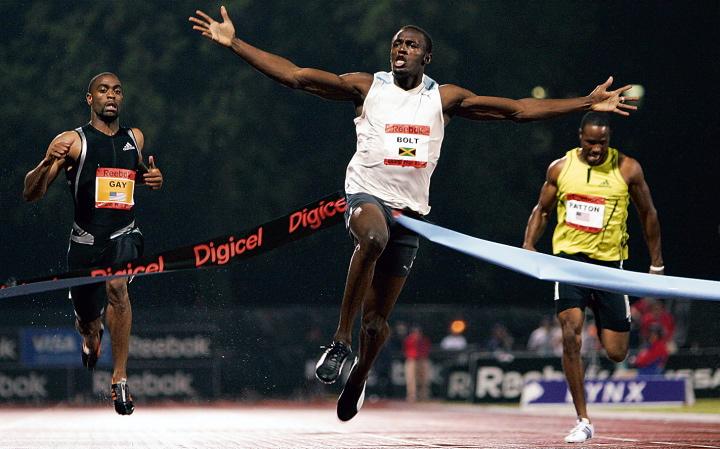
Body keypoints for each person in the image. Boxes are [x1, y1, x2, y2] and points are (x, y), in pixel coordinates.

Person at [189, 6, 637, 422]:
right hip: (366, 197)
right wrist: (234, 42)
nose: (400, 49)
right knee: (372, 238)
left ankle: (360, 375)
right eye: (396, 43)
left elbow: (518, 110)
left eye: (410, 44)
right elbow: (296, 76)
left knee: (377, 323)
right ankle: (340, 341)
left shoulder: (443, 99)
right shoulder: (368, 87)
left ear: (427, 57)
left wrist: (585, 102)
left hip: (411, 216)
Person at [23, 72, 163, 415]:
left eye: (117, 90)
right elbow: (31, 193)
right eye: (103, 90)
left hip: (125, 234)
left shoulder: (135, 138)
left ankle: (119, 379)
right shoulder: (72, 141)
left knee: (117, 286)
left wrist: (151, 179)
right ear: (90, 99)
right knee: (87, 321)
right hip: (85, 243)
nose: (111, 95)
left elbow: (127, 178)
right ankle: (91, 338)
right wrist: (46, 162)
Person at [522, 111, 662, 443]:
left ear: (609, 139)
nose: (596, 149)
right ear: (579, 137)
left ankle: (602, 312)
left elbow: (648, 213)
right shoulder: (561, 168)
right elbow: (542, 210)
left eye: (602, 142)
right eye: (590, 142)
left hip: (610, 267)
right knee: (570, 334)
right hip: (569, 264)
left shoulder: (627, 169)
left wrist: (656, 263)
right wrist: (528, 245)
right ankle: (583, 419)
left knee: (616, 351)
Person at [402, 325, 432, 402]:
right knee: (411, 379)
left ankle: (424, 396)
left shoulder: (424, 340)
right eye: (415, 332)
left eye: (418, 332)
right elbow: (406, 349)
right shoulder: (409, 340)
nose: (417, 334)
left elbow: (427, 349)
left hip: (422, 360)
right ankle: (412, 396)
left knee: (424, 379)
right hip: (412, 360)